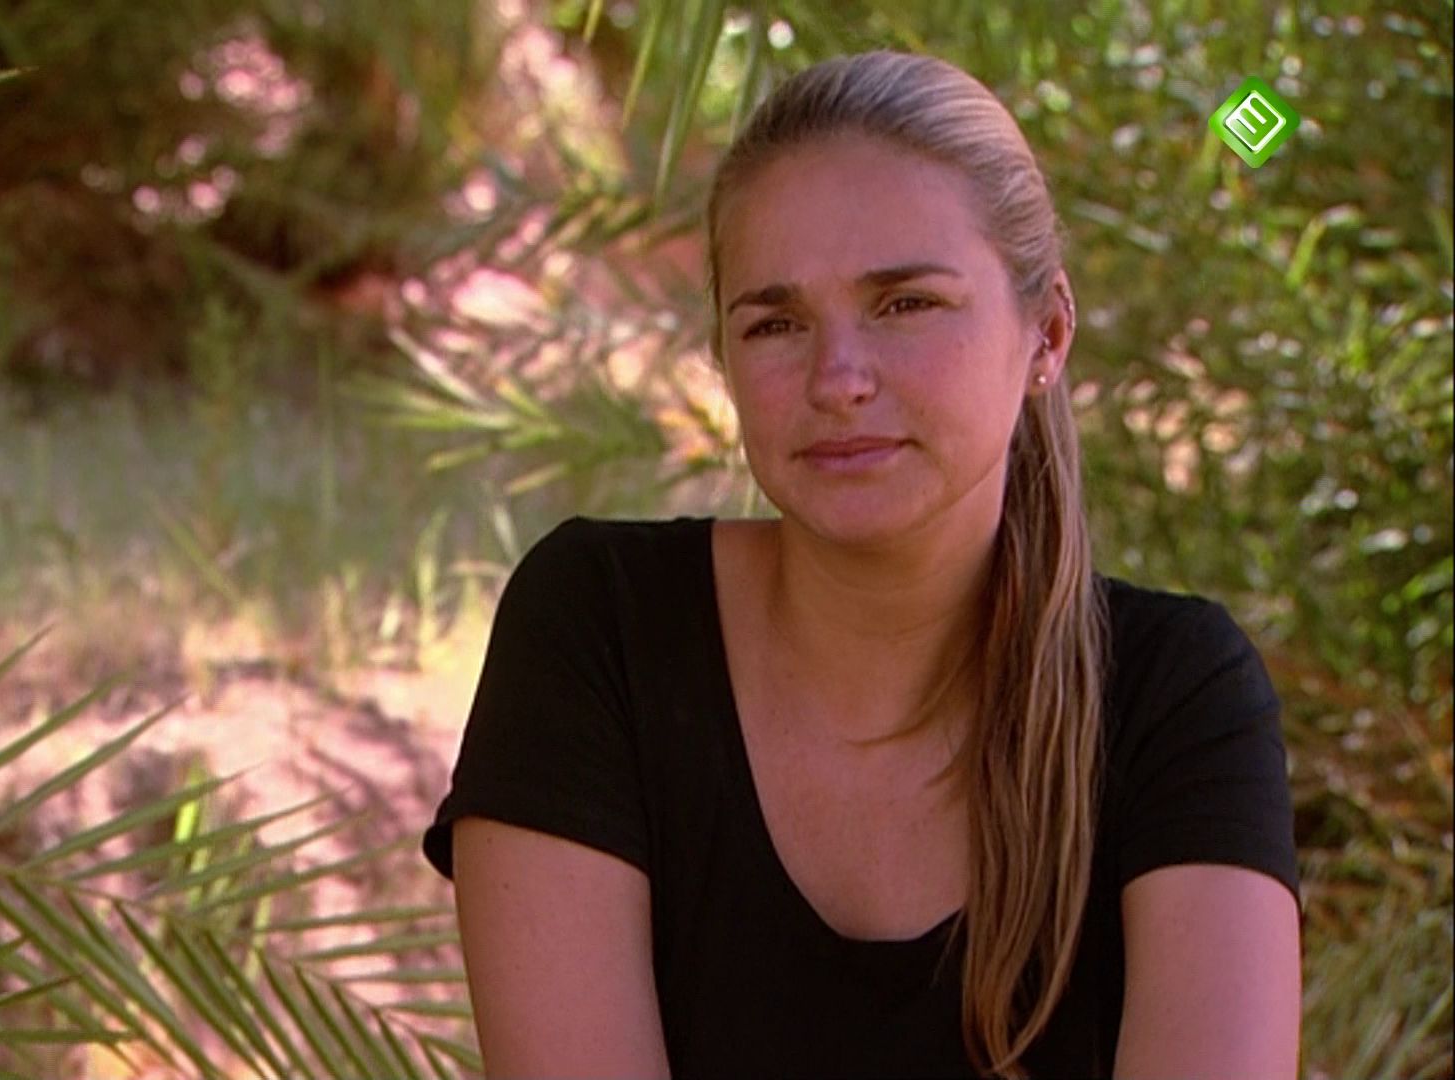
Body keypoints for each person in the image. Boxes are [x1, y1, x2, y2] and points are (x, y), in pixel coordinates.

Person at [420, 50, 1301, 1079]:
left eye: (906, 304)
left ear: (1048, 333)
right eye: (775, 322)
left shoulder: (1175, 697)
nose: (837, 378)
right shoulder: (601, 628)